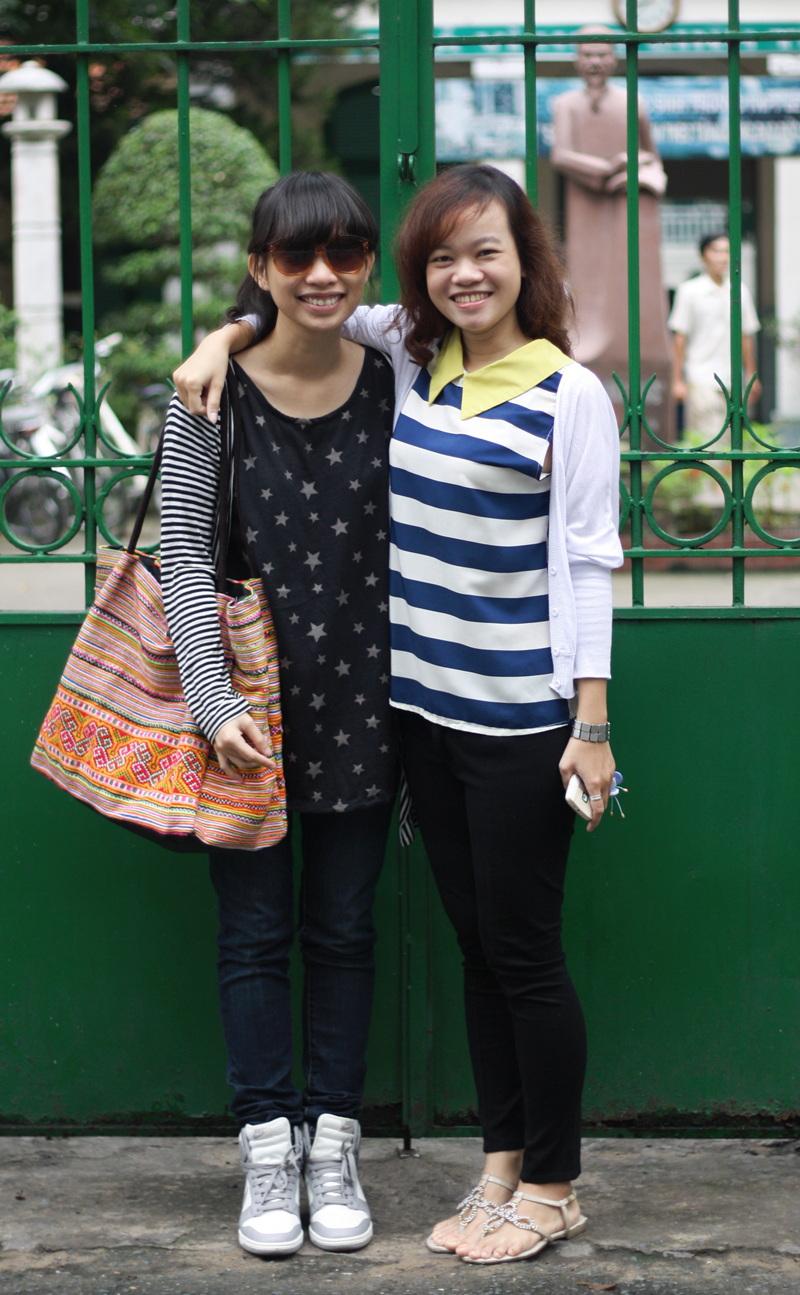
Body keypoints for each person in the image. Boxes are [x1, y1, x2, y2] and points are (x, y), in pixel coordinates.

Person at [176, 163, 623, 1266]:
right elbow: (185, 543)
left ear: (523, 259)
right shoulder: (400, 360)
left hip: (468, 719)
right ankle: (433, 1163)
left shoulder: (510, 384)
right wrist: (222, 337)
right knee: (393, 945)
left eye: (486, 252)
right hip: (356, 715)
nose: (465, 275)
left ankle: (520, 1180)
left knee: (472, 946)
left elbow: (585, 561)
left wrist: (592, 721)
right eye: (444, 257)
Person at [161, 170, 398, 1259]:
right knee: (253, 934)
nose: (321, 274)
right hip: (244, 709)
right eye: (295, 255)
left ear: (366, 262)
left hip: (366, 699)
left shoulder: (393, 376)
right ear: (260, 266)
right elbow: (180, 553)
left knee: (344, 930)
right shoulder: (209, 393)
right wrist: (211, 703)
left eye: (343, 252)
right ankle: (267, 1143)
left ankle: (332, 1140)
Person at [551, 26, 672, 442]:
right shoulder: (566, 104)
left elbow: (651, 155)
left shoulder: (631, 102)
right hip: (586, 202)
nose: (595, 62)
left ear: (615, 59)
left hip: (626, 202)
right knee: (588, 273)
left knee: (627, 274)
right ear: (576, 59)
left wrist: (631, 166)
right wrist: (606, 169)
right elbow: (561, 155)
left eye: (602, 54)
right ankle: (590, 340)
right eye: (588, 54)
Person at [669, 231, 761, 438]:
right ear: (703, 256)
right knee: (710, 440)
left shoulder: (740, 290)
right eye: (716, 251)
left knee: (731, 441)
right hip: (701, 378)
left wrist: (751, 375)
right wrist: (677, 380)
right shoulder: (689, 291)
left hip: (732, 379)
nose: (722, 257)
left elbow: (746, 336)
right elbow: (679, 337)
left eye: (726, 251)